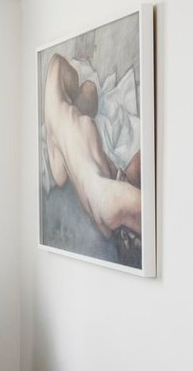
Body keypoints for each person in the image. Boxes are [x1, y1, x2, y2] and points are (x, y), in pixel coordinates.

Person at [43, 52, 142, 242]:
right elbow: (85, 86)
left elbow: (61, 177)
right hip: (104, 195)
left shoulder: (58, 141)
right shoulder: (68, 109)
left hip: (100, 198)